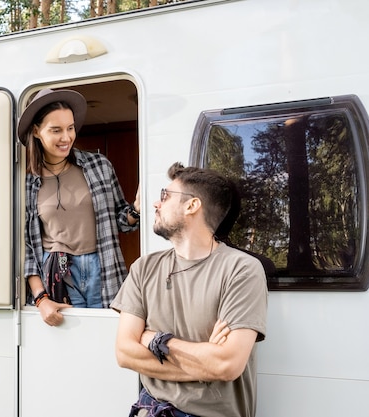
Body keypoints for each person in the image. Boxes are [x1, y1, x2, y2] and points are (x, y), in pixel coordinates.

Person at [110, 162, 268, 417]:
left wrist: (155, 340)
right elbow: (125, 352)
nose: (155, 204)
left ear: (192, 205)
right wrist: (205, 364)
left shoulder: (242, 270)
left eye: (165, 195)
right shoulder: (144, 268)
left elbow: (226, 365)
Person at [18, 88, 140, 326]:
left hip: (103, 267)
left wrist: (135, 209)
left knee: (107, 337)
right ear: (36, 132)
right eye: (56, 130)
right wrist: (41, 298)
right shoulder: (26, 183)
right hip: (58, 274)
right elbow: (26, 250)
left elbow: (121, 221)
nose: (66, 137)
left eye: (70, 128)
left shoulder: (99, 166)